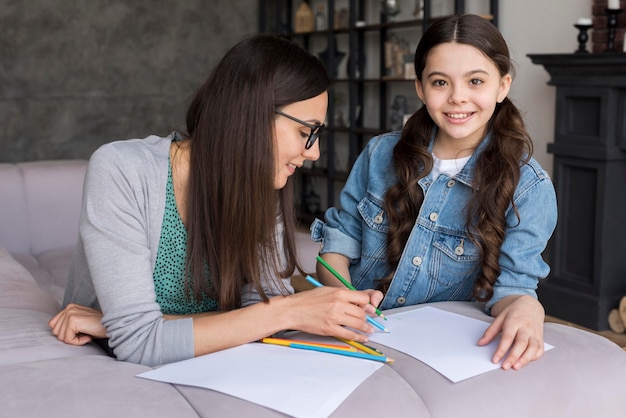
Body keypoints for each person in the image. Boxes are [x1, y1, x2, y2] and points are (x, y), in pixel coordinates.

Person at [49, 34, 382, 367]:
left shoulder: (263, 188)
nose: (314, 152)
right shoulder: (121, 169)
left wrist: (117, 325)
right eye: (305, 131)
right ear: (251, 113)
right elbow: (138, 345)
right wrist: (290, 311)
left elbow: (259, 313)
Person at [311, 14, 557, 371]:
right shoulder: (380, 155)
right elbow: (338, 244)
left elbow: (513, 288)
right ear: (420, 88)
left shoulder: (530, 187)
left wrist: (526, 307)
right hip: (354, 339)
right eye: (440, 82)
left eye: (475, 81)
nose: (458, 98)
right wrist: (345, 299)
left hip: (437, 357)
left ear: (503, 86)